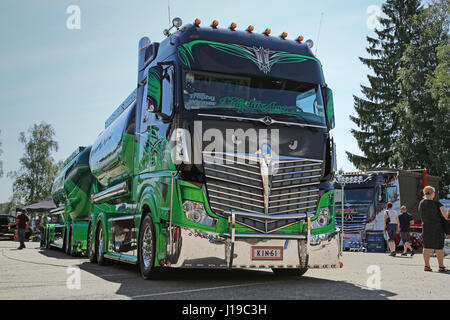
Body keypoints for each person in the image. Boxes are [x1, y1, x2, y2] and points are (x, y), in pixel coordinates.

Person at [418, 186, 449, 273]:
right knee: (439, 248)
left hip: (426, 227)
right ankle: (441, 267)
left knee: (426, 246)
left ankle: (427, 266)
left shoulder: (421, 203)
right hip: (437, 228)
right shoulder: (437, 203)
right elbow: (445, 216)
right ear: (432, 193)